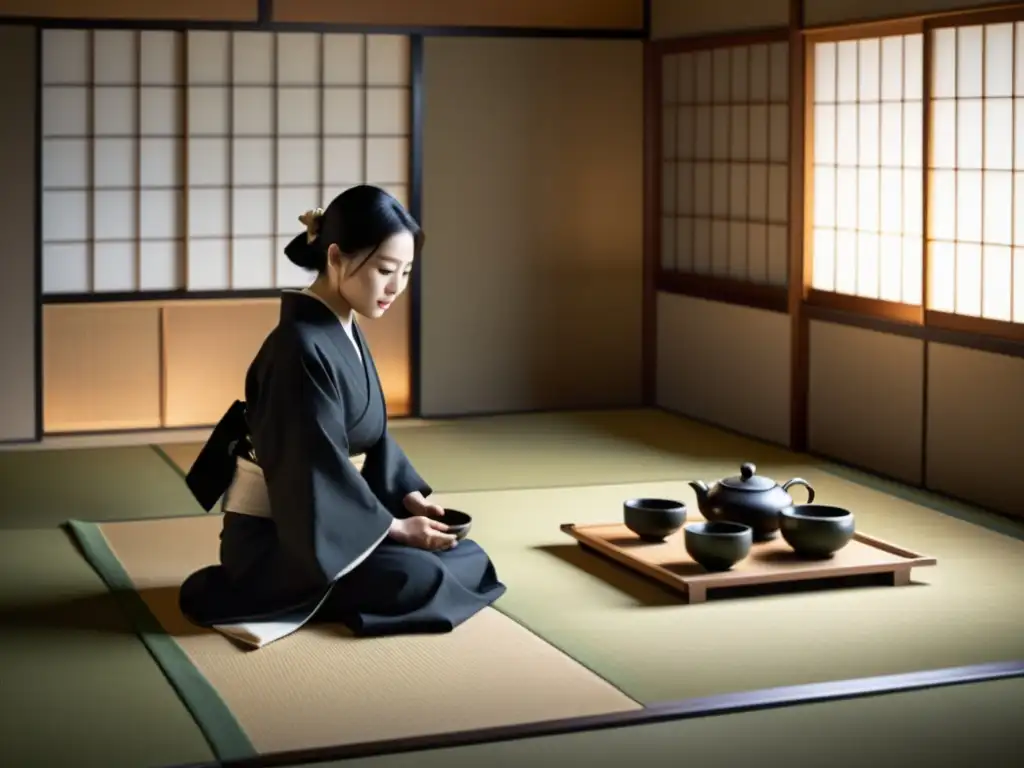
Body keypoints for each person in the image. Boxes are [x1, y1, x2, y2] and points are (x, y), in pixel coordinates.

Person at [177, 185, 506, 648]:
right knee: (425, 577)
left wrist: (408, 497)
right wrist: (391, 527)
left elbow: (368, 436)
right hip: (281, 541)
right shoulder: (297, 348)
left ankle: (380, 560)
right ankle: (302, 592)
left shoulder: (341, 326)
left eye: (407, 272)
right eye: (385, 271)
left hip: (332, 525)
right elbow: (313, 469)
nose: (397, 288)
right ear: (335, 258)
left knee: (466, 556)